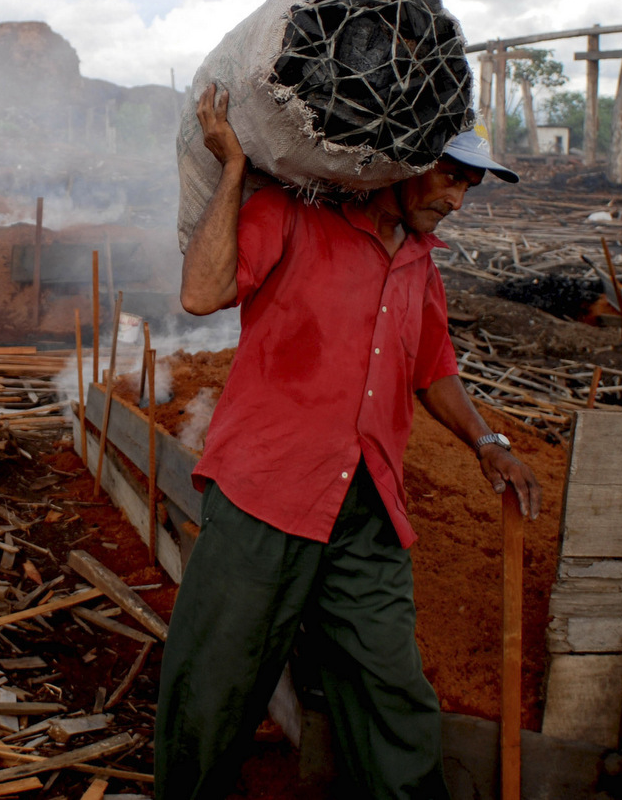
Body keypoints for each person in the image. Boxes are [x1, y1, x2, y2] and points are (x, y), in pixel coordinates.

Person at [156, 84, 544, 800]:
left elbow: (434, 369)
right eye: (453, 175)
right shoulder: (293, 217)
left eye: (470, 184)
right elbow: (201, 293)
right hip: (265, 491)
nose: (458, 198)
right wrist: (235, 171)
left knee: (391, 686)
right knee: (217, 677)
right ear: (404, 160)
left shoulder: (420, 261)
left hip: (366, 504)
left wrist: (486, 438)